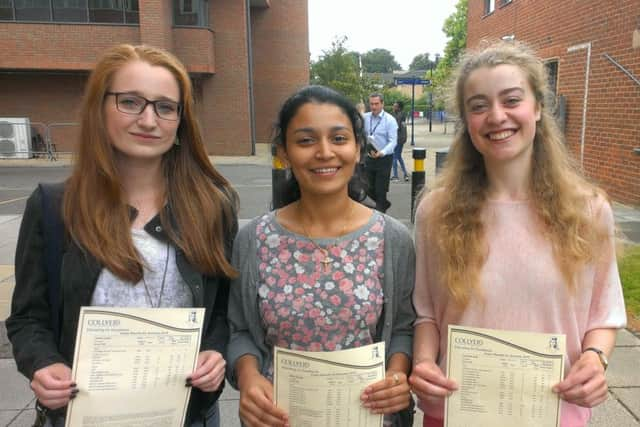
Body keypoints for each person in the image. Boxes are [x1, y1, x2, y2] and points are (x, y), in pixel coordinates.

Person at [6, 44, 238, 427]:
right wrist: (42, 362)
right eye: (130, 102)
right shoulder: (54, 207)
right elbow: (28, 318)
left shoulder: (213, 207)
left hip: (187, 415)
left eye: (165, 107)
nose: (149, 120)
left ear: (181, 120)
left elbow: (225, 312)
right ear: (100, 108)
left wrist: (215, 351)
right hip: (84, 414)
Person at [409, 41, 626, 427]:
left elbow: (604, 313)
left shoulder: (588, 211)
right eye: (478, 106)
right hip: (455, 410)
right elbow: (425, 311)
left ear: (539, 108)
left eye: (511, 100)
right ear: (467, 121)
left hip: (554, 412)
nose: (496, 116)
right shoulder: (436, 211)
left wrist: (595, 359)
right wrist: (424, 362)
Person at [226, 85, 416, 427]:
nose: (324, 152)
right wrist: (248, 376)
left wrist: (398, 374)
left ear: (359, 149)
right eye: (305, 140)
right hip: (279, 418)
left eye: (339, 138)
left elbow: (402, 326)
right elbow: (239, 329)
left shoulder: (392, 238)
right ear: (283, 152)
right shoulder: (254, 239)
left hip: (367, 417)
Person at [363, 93, 398, 213]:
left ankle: (382, 216)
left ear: (382, 104)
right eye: (371, 104)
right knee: (369, 189)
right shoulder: (365, 118)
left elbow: (393, 141)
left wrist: (382, 152)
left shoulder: (390, 120)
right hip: (369, 158)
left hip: (384, 159)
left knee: (380, 190)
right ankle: (372, 216)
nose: (373, 107)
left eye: (376, 104)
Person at [390, 101, 409, 182]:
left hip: (398, 139)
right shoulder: (402, 115)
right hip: (402, 139)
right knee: (399, 157)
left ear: (399, 108)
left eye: (395, 106)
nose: (393, 108)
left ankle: (395, 176)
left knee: (394, 157)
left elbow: (395, 127)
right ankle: (405, 174)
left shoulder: (398, 116)